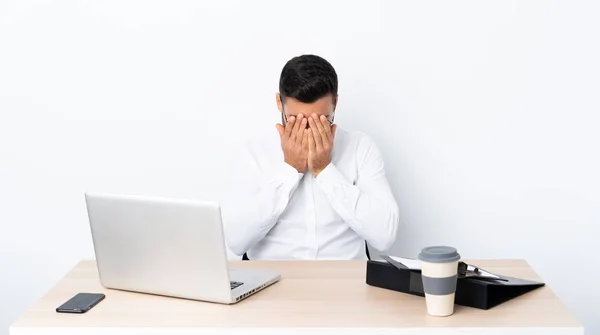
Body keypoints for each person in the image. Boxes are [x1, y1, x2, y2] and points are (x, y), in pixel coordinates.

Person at [224, 54, 399, 260]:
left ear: (335, 103)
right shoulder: (253, 152)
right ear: (279, 103)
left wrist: (325, 170)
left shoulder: (360, 147)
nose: (308, 131)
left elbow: (385, 237)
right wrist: (290, 170)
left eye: (321, 120)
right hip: (273, 281)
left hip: (346, 281)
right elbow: (236, 241)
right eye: (295, 120)